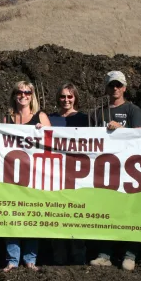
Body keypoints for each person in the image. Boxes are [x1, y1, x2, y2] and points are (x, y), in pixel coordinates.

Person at [89, 70, 141, 271]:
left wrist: (121, 130)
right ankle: (105, 254)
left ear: (124, 87)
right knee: (106, 213)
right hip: (105, 171)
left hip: (128, 171)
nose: (115, 88)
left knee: (131, 212)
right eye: (112, 85)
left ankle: (130, 255)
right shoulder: (97, 113)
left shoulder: (133, 110)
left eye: (119, 85)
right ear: (106, 87)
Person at [2, 81, 51, 272]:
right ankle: (12, 259)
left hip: (34, 175)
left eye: (27, 92)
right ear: (14, 95)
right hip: (12, 175)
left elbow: (52, 143)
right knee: (12, 216)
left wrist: (43, 131)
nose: (23, 95)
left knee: (32, 215)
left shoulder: (41, 116)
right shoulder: (7, 118)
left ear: (32, 96)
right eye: (19, 92)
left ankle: (30, 258)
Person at [47, 83, 88, 265]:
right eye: (63, 96)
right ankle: (59, 257)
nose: (66, 100)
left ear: (75, 98)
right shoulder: (50, 119)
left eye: (70, 97)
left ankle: (79, 256)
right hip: (55, 173)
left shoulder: (84, 119)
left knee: (77, 213)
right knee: (56, 213)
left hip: (78, 174)